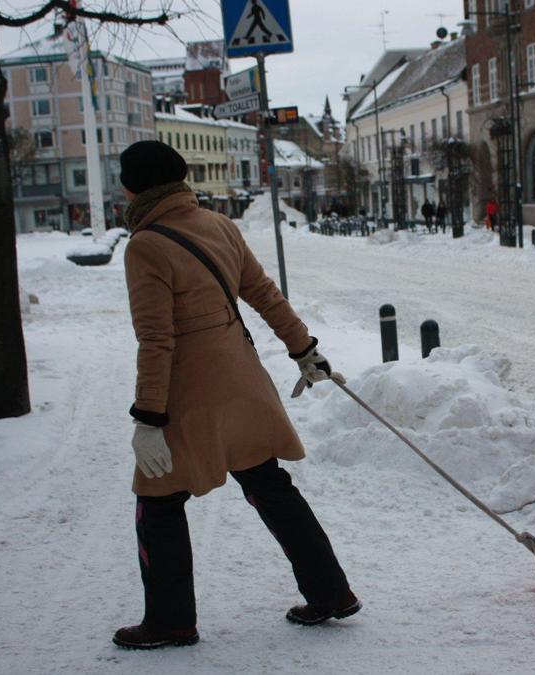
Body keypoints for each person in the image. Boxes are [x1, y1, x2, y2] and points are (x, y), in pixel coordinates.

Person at [114, 140, 359, 650]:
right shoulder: (218, 225)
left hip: (188, 395)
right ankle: (330, 592)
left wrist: (148, 419)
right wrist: (304, 349)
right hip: (241, 381)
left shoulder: (144, 245)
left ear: (130, 186)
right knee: (271, 486)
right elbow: (265, 293)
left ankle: (170, 620)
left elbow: (157, 340)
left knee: (157, 503)